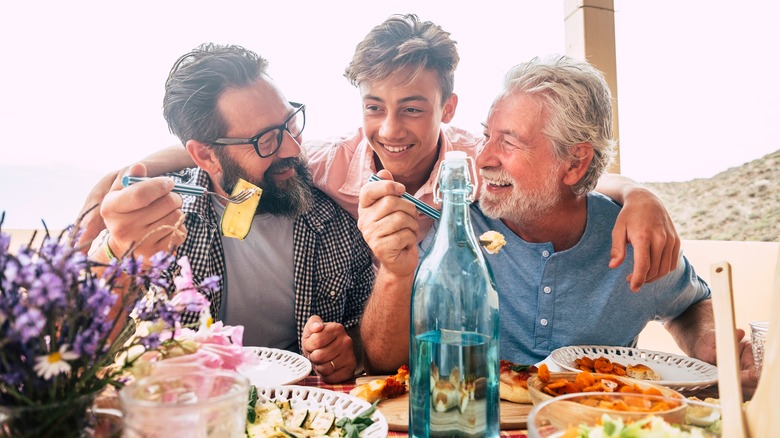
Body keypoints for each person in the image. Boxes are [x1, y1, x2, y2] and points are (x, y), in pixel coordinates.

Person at [79, 14, 678, 292]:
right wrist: (123, 173)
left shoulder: (477, 158)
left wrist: (638, 193)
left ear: (448, 108)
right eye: (373, 106)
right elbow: (233, 156)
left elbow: (566, 171)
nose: (389, 130)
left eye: (413, 108)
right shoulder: (319, 160)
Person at [357, 55, 758, 390]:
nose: (484, 158)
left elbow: (688, 304)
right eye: (486, 136)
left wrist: (708, 341)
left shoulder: (630, 236)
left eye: (509, 142)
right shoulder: (459, 230)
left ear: (575, 162)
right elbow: (385, 360)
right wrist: (395, 271)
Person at [93, 43, 374, 383]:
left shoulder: (334, 219)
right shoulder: (157, 222)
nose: (293, 148)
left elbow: (364, 329)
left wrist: (351, 348)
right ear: (206, 156)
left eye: (290, 123)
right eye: (266, 140)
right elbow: (91, 350)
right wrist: (118, 256)